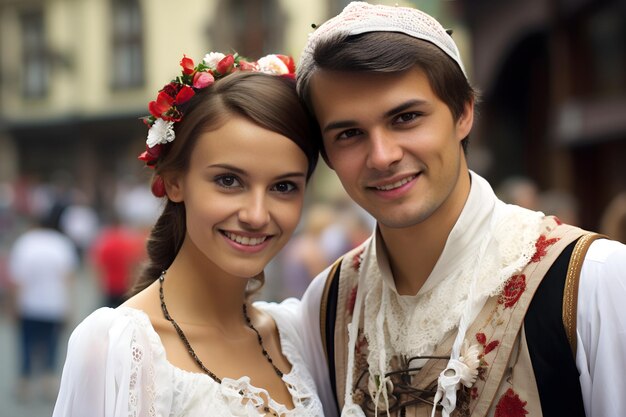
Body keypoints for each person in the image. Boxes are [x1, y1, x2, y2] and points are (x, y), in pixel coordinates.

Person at [294, 2, 626, 417]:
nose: (381, 156)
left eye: (406, 117)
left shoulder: (593, 280)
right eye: (349, 133)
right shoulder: (325, 304)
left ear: (464, 113)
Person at [53, 51, 324, 416]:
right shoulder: (115, 347)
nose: (257, 215)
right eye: (229, 181)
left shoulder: (296, 335)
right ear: (174, 181)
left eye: (284, 187)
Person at [8, 211, 79, 402]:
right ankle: (48, 382)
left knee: (26, 343)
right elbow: (68, 279)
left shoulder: (25, 243)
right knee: (52, 344)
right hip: (54, 304)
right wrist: (69, 305)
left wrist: (13, 305)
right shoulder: (62, 244)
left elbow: (17, 279)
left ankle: (25, 383)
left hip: (29, 304)